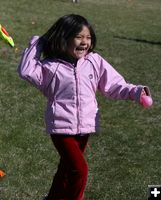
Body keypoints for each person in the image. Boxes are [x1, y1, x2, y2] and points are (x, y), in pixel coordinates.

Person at [17, 14, 152, 200]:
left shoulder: (94, 61)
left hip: (86, 126)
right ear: (64, 38)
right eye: (79, 37)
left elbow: (113, 85)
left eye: (88, 37)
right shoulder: (50, 67)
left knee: (66, 170)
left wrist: (136, 92)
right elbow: (26, 71)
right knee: (80, 171)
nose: (84, 42)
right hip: (61, 128)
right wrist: (38, 43)